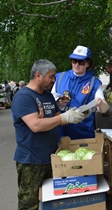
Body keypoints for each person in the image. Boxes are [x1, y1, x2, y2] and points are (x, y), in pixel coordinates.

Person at [11, 59, 86, 210]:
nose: (54, 80)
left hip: (52, 157)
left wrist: (74, 115)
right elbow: (36, 125)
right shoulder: (24, 97)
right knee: (29, 204)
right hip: (31, 161)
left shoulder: (48, 96)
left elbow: (57, 119)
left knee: (53, 201)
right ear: (38, 75)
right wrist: (62, 118)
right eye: (51, 77)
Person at [51, 45, 109, 140]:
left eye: (81, 62)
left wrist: (101, 103)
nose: (76, 64)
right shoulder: (60, 77)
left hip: (82, 132)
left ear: (88, 63)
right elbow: (51, 98)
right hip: (59, 130)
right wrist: (58, 101)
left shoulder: (94, 82)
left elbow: (104, 109)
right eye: (74, 61)